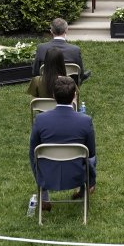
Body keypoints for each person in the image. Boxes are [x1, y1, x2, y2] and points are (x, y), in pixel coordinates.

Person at [29, 77, 96, 210]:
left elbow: (33, 152)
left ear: (53, 96)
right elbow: (91, 153)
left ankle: (44, 196)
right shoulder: (85, 121)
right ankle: (86, 188)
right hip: (77, 175)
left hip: (47, 176)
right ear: (73, 96)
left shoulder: (40, 119)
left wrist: (40, 176)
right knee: (91, 157)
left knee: (35, 155)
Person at [33, 18, 90, 84]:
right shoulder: (75, 50)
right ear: (66, 30)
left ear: (51, 31)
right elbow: (80, 74)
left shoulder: (41, 48)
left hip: (47, 86)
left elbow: (35, 72)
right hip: (68, 88)